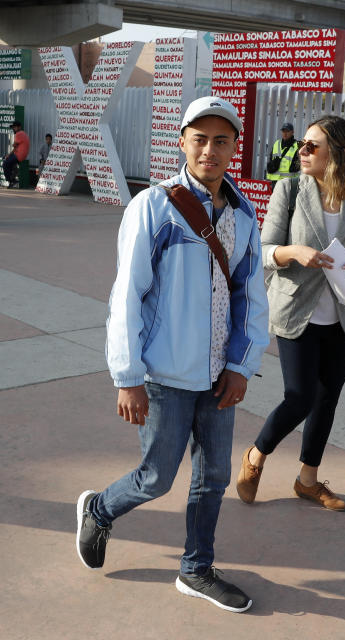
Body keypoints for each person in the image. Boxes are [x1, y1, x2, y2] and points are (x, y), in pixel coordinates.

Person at [75, 96, 269, 613]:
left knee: (215, 477)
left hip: (218, 375)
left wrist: (240, 365)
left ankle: (196, 568)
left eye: (221, 140)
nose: (210, 149)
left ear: (234, 147)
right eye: (199, 138)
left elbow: (252, 295)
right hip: (163, 374)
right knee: (157, 477)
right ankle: (100, 507)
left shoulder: (245, 213)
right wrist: (128, 375)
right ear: (181, 142)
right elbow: (128, 294)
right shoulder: (154, 206)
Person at [236, 115, 345, 512]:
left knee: (327, 399)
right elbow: (264, 247)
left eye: (312, 146)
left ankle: (308, 480)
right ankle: (256, 455)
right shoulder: (289, 189)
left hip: (343, 313)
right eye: (302, 144)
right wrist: (295, 252)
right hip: (297, 310)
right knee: (299, 396)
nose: (301, 151)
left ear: (338, 153)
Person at [3, 120, 29, 188]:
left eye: (14, 127)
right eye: (13, 128)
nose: (13, 129)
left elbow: (14, 147)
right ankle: (13, 178)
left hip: (19, 155)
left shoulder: (18, 134)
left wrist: (8, 155)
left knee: (5, 163)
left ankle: (11, 180)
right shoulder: (23, 133)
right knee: (11, 164)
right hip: (22, 155)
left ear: (19, 127)